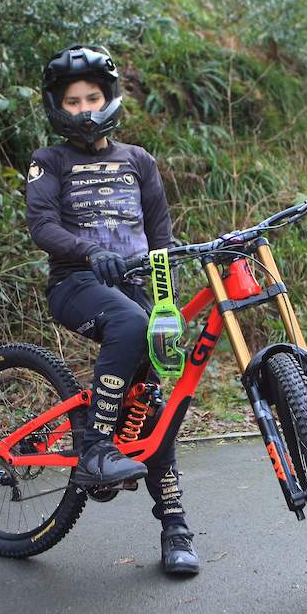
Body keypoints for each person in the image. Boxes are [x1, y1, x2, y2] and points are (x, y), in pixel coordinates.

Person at [24, 44, 200, 575]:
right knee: (127, 323)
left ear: (110, 98)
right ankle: (97, 447)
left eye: (92, 97)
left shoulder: (138, 161)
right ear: (58, 106)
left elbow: (160, 238)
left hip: (140, 293)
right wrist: (88, 251)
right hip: (76, 283)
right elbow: (42, 226)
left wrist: (164, 297)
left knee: (156, 408)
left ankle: (176, 530)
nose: (83, 108)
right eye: (72, 100)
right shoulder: (49, 161)